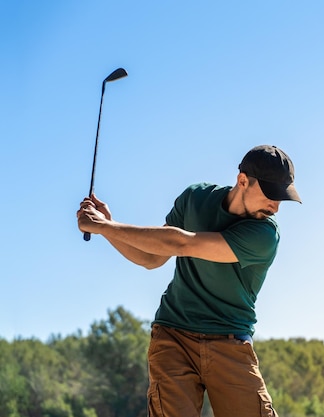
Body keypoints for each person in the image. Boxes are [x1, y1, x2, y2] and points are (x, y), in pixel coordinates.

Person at [77, 145, 301, 417]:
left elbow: (183, 243)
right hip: (174, 336)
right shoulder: (195, 198)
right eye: (271, 195)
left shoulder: (264, 235)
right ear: (242, 180)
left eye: (282, 199)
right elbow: (150, 258)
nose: (275, 206)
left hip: (229, 342)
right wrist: (108, 227)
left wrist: (103, 225)